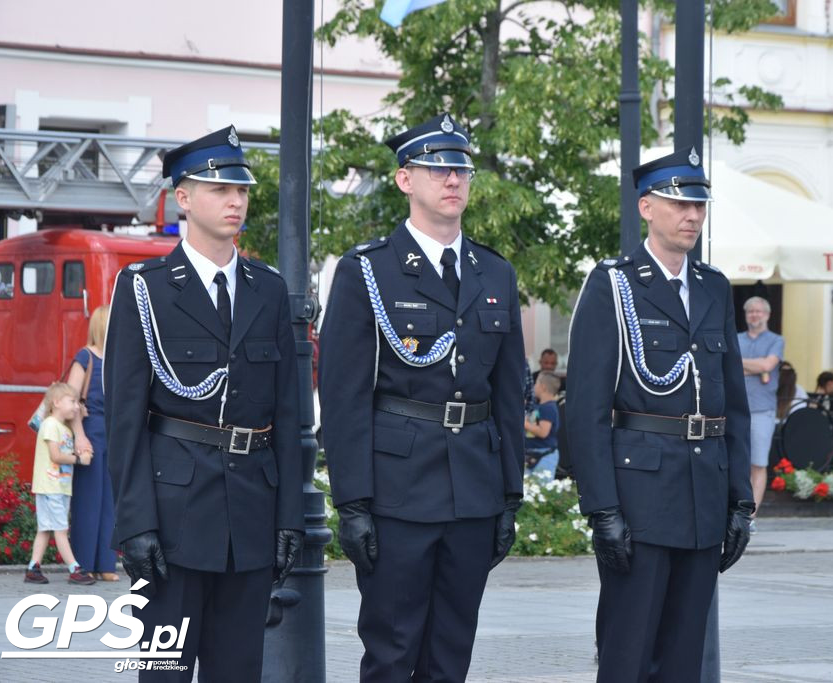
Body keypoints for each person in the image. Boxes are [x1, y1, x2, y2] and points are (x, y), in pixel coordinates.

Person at [319, 113, 525, 682]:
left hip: (474, 491)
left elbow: (509, 395)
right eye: (437, 169)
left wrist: (510, 493)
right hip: (398, 493)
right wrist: (354, 503)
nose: (452, 179)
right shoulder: (369, 271)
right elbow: (343, 398)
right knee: (392, 650)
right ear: (405, 180)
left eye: (460, 168)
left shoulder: (495, 273)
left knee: (451, 652)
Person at [104, 126, 303, 681]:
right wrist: (134, 523)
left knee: (239, 670)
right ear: (184, 198)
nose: (235, 201)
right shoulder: (145, 287)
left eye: (241, 190)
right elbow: (124, 418)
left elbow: (287, 416)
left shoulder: (267, 287)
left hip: (251, 515)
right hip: (174, 519)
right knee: (165, 672)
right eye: (218, 190)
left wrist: (288, 516)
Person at [565, 147, 753, 682]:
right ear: (647, 208)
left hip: (702, 496)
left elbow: (733, 404)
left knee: (683, 658)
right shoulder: (614, 284)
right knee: (628, 653)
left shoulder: (714, 287)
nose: (692, 216)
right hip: (640, 497)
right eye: (678, 204)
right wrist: (601, 509)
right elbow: (586, 409)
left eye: (699, 205)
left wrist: (741, 499)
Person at [65, 305, 118, 581]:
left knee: (109, 499)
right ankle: (84, 563)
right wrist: (80, 435)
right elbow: (71, 401)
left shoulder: (116, 358)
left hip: (112, 430)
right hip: (91, 429)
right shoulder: (84, 357)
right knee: (88, 500)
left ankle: (105, 564)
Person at [24, 382, 96, 586]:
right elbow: (56, 455)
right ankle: (75, 569)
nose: (76, 406)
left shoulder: (63, 428)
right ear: (56, 403)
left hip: (57, 486)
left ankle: (33, 568)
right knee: (60, 530)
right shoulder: (50, 425)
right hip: (50, 486)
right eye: (72, 401)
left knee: (45, 529)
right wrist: (79, 459)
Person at [738, 295, 783, 519]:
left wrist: (743, 363)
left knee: (757, 463)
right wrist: (758, 367)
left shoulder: (776, 340)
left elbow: (768, 365)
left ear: (767, 315)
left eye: (758, 311)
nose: (754, 315)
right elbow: (727, 365)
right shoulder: (736, 339)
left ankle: (749, 518)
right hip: (735, 409)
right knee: (737, 463)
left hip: (761, 410)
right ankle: (737, 512)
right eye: (750, 311)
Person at [524, 371, 561, 478]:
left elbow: (543, 432)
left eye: (536, 383)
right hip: (531, 454)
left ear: (543, 387)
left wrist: (524, 423)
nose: (534, 386)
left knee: (542, 488)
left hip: (545, 455)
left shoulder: (549, 408)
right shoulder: (538, 406)